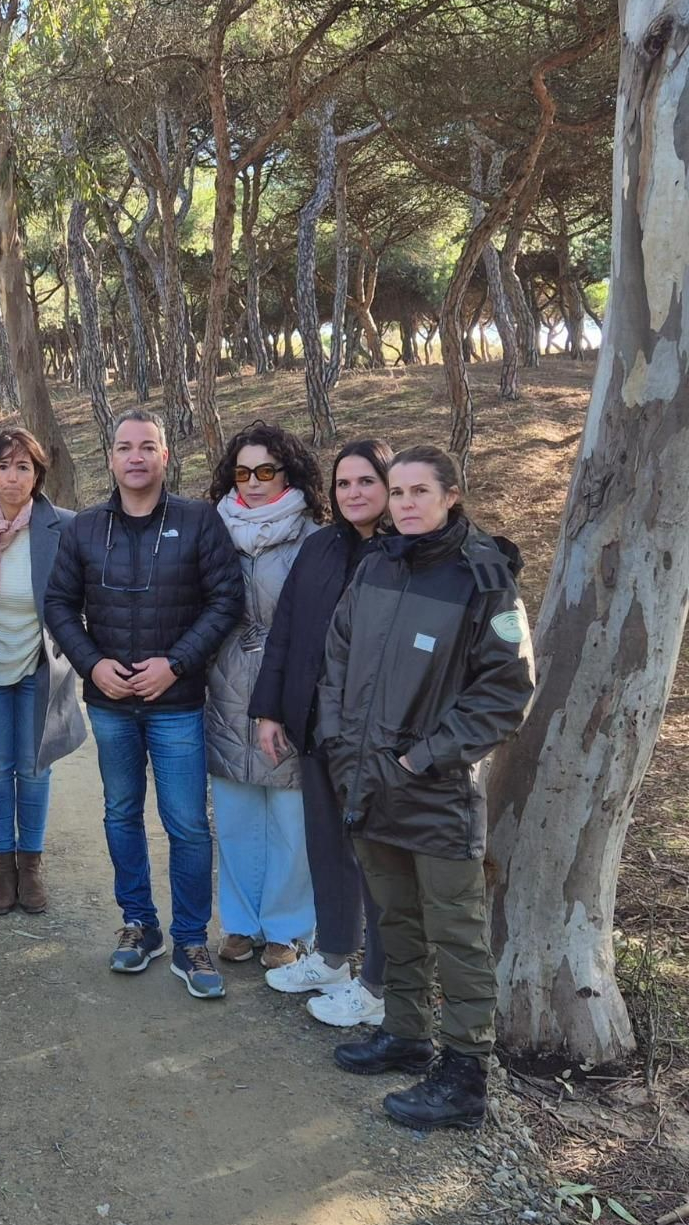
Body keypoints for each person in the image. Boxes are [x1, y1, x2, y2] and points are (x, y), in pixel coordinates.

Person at [319, 446, 534, 1130]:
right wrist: (337, 742)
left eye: (420, 491)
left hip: (436, 790)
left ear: (451, 495)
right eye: (398, 491)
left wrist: (422, 759)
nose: (406, 503)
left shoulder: (484, 577)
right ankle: (406, 1034)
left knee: (457, 933)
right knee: (395, 917)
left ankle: (466, 1077)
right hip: (366, 782)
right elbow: (337, 658)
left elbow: (506, 691)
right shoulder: (377, 564)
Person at [45, 408, 242, 996]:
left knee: (187, 823)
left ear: (164, 456)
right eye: (125, 447)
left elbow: (225, 600)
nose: (136, 457)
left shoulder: (199, 520)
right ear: (110, 458)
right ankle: (139, 924)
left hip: (176, 702)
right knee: (120, 813)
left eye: (147, 446)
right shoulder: (84, 528)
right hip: (110, 704)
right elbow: (58, 604)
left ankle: (191, 939)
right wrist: (93, 664)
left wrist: (175, 664)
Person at [251, 439, 393, 1027]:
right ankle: (333, 957)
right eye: (343, 483)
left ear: (389, 485)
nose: (353, 493)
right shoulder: (320, 547)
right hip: (316, 725)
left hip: (379, 739)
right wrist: (269, 709)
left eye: (366, 481)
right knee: (327, 848)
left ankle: (378, 983)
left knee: (378, 860)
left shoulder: (404, 554)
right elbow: (284, 630)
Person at [203, 422, 327, 971]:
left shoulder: (314, 539)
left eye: (266, 471)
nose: (253, 482)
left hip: (290, 685)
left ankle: (287, 929)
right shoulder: (213, 531)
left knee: (290, 815)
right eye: (243, 472)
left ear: (288, 473)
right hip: (226, 682)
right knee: (235, 813)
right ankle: (240, 923)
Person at [0, 427, 86, 915]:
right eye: (3, 467)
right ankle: (2, 868)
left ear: (37, 475)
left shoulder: (64, 528)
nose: (12, 477)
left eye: (23, 467)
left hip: (39, 668)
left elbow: (81, 600)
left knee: (33, 767)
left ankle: (30, 865)